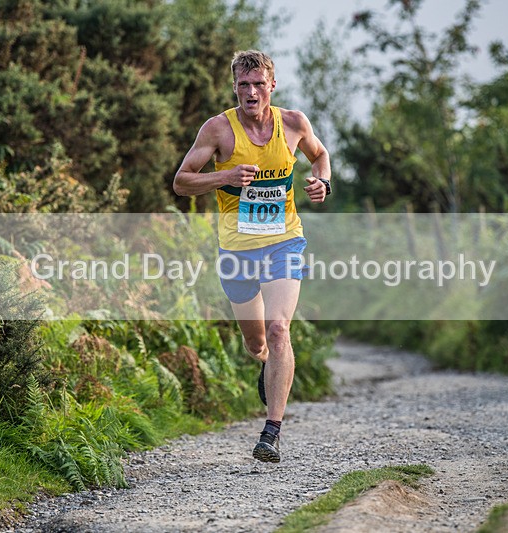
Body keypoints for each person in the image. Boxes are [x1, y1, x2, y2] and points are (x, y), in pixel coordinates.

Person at [173, 50, 331, 463]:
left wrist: (322, 183)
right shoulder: (218, 130)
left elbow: (320, 156)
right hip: (237, 251)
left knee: (280, 329)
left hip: (285, 243)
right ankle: (266, 363)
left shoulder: (293, 123)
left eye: (258, 83)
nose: (251, 92)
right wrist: (224, 176)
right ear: (234, 88)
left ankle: (271, 431)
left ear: (271, 86)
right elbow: (182, 182)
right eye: (243, 85)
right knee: (256, 342)